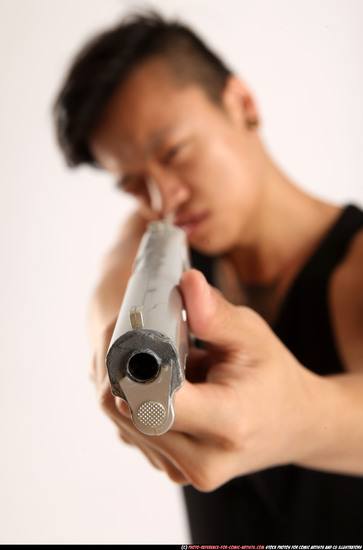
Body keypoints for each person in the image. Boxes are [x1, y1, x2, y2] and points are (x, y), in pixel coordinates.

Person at [53, 11, 363, 543]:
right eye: (133, 185)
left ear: (242, 104)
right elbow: (114, 276)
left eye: (173, 153)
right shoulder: (165, 240)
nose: (161, 200)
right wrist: (116, 350)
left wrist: (294, 419)